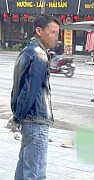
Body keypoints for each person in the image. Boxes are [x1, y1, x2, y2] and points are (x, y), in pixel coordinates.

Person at [11, 15, 60, 179]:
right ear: (39, 31)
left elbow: (17, 89)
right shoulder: (39, 55)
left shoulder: (26, 51)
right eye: (52, 32)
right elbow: (29, 91)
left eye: (57, 33)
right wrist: (18, 117)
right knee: (35, 173)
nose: (56, 37)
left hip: (28, 119)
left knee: (24, 167)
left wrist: (18, 116)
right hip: (36, 119)